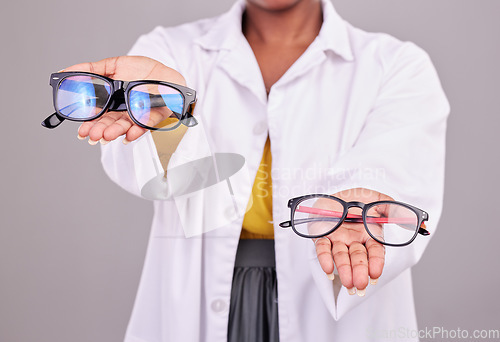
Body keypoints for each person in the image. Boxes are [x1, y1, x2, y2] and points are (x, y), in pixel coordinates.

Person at [63, 0, 449, 340]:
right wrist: (164, 118)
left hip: (327, 293)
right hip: (200, 297)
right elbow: (147, 175)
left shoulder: (395, 64)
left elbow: (399, 163)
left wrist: (357, 197)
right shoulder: (167, 55)